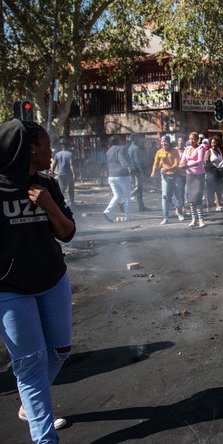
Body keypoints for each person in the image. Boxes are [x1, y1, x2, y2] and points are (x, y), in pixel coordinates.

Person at [0, 119, 75, 442]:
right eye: (46, 144)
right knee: (29, 363)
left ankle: (29, 404)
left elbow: (67, 233)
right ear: (31, 148)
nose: (51, 150)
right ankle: (44, 438)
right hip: (9, 289)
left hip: (53, 279)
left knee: (60, 349)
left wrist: (47, 205)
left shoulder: (48, 184)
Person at [151, 135, 184, 224]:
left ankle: (180, 213)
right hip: (165, 177)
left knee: (178, 197)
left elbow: (177, 163)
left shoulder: (175, 151)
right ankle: (165, 217)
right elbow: (155, 163)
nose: (164, 143)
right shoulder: (159, 152)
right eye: (162, 142)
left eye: (166, 141)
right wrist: (153, 172)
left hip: (176, 175)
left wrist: (167, 169)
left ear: (169, 142)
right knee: (165, 197)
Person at [180, 132, 207, 228]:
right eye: (190, 138)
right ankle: (194, 219)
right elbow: (183, 159)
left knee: (198, 198)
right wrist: (181, 164)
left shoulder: (201, 148)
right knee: (191, 199)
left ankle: (201, 220)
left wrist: (188, 165)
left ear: (197, 139)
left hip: (199, 175)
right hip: (189, 175)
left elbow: (200, 161)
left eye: (193, 139)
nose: (192, 140)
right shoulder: (187, 148)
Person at [103, 135, 132, 222]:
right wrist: (129, 168)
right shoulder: (121, 148)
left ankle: (107, 212)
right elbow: (122, 160)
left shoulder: (109, 151)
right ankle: (127, 216)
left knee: (117, 195)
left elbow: (108, 163)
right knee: (127, 196)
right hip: (122, 175)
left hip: (111, 176)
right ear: (118, 141)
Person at [127, 134, 149, 211]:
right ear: (136, 139)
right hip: (136, 170)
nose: (142, 139)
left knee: (139, 189)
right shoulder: (136, 148)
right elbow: (138, 161)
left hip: (133, 170)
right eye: (140, 138)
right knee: (138, 188)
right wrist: (142, 172)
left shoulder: (131, 147)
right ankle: (124, 201)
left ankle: (141, 206)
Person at [205, 136, 223, 212]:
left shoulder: (219, 151)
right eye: (213, 142)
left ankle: (218, 204)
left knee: (219, 189)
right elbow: (206, 162)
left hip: (219, 173)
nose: (214, 144)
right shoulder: (208, 151)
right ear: (210, 143)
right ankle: (209, 206)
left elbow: (222, 160)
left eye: (216, 142)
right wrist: (214, 166)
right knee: (210, 190)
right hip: (211, 173)